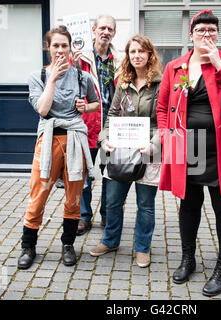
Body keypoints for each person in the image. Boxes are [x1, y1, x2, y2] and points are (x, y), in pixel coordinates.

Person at [156, 10, 221, 296]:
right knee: (188, 206)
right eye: (201, 31)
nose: (207, 35)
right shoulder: (175, 66)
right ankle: (188, 259)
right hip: (183, 145)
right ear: (191, 35)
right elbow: (162, 108)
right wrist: (165, 135)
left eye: (212, 31)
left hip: (220, 148)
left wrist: (219, 65)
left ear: (218, 34)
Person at [18, 25, 99, 270]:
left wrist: (86, 107)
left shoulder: (83, 77)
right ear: (48, 48)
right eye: (56, 45)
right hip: (49, 140)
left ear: (71, 46)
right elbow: (42, 109)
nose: (60, 50)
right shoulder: (38, 77)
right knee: (38, 195)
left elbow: (96, 104)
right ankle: (28, 246)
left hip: (74, 139)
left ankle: (68, 244)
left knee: (74, 198)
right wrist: (53, 78)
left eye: (65, 45)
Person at [89, 34, 162, 268]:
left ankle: (142, 247)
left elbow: (164, 120)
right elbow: (111, 115)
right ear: (128, 56)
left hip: (149, 149)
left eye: (142, 51)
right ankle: (110, 241)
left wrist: (154, 144)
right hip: (120, 149)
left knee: (145, 204)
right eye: (132, 52)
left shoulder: (161, 84)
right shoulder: (123, 83)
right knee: (111, 201)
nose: (137, 55)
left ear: (149, 54)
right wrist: (104, 139)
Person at [72, 15, 122, 235]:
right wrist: (72, 63)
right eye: (102, 28)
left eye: (110, 29)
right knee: (84, 172)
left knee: (110, 172)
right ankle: (84, 216)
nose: (106, 32)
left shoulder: (118, 58)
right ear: (93, 30)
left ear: (114, 33)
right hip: (87, 122)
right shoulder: (81, 56)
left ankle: (106, 214)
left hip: (112, 124)